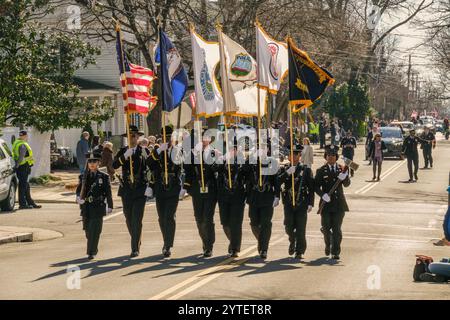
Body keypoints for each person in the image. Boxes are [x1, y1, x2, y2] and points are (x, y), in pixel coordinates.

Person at [113, 125, 150, 258]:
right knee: (128, 218)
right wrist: (124, 157)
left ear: (138, 137)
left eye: (134, 135)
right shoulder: (123, 150)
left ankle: (134, 247)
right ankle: (136, 238)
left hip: (140, 189)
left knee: (136, 219)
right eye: (129, 136)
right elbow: (114, 165)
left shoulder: (143, 151)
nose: (132, 138)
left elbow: (151, 165)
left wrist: (149, 156)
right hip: (127, 189)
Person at [148, 126, 184, 258]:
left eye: (169, 137)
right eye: (165, 137)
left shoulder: (178, 150)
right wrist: (158, 151)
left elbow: (181, 164)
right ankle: (166, 240)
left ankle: (167, 245)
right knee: (161, 218)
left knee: (169, 216)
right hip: (160, 187)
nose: (167, 139)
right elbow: (149, 163)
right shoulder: (158, 151)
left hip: (173, 187)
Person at [184, 130, 218, 257]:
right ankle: (205, 242)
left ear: (210, 140)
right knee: (199, 218)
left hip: (210, 190)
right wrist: (185, 187)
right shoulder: (193, 153)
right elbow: (188, 171)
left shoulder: (214, 153)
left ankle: (209, 245)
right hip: (197, 189)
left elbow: (217, 171)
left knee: (208, 218)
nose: (204, 140)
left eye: (207, 138)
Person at [214, 136, 249, 258]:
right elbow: (214, 168)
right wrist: (223, 158)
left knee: (236, 223)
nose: (232, 150)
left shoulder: (242, 161)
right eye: (230, 148)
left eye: (234, 148)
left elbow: (247, 173)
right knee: (225, 223)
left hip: (237, 196)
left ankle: (235, 248)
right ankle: (232, 241)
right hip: (224, 196)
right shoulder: (223, 159)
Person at [314, 145, 351, 260]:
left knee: (337, 229)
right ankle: (328, 244)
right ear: (326, 157)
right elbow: (315, 186)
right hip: (326, 205)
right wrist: (322, 195)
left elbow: (346, 184)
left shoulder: (342, 169)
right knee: (326, 228)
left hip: (339, 204)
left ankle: (335, 251)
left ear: (336, 157)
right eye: (329, 155)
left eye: (333, 155)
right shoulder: (321, 170)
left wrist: (345, 177)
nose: (331, 157)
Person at [279, 144, 314, 260]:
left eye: (295, 154)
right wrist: (287, 173)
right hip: (288, 202)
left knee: (300, 228)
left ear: (299, 156)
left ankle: (299, 251)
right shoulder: (284, 168)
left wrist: (310, 203)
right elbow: (277, 182)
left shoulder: (305, 170)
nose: (292, 156)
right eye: (290, 154)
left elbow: (311, 188)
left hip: (301, 202)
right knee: (288, 226)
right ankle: (292, 240)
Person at [76, 151, 113, 260]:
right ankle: (93, 248)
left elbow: (108, 192)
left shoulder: (104, 176)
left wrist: (110, 205)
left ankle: (91, 252)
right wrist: (78, 198)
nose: (92, 164)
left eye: (94, 162)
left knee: (95, 230)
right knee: (87, 230)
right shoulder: (83, 176)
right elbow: (79, 190)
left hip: (98, 206)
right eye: (90, 162)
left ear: (99, 163)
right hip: (86, 206)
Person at [246, 146, 280, 259]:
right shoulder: (252, 162)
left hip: (267, 197)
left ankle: (264, 249)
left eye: (264, 149)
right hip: (254, 197)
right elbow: (244, 172)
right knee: (254, 223)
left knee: (266, 224)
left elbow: (277, 180)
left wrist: (277, 196)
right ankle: (262, 240)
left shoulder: (272, 162)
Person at [12, 131, 41, 210]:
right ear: (25, 136)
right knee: (23, 185)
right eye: (25, 136)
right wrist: (17, 166)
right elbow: (21, 157)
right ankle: (23, 204)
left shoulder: (16, 143)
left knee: (26, 185)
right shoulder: (22, 144)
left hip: (22, 166)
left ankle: (30, 202)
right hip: (23, 166)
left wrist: (16, 166)